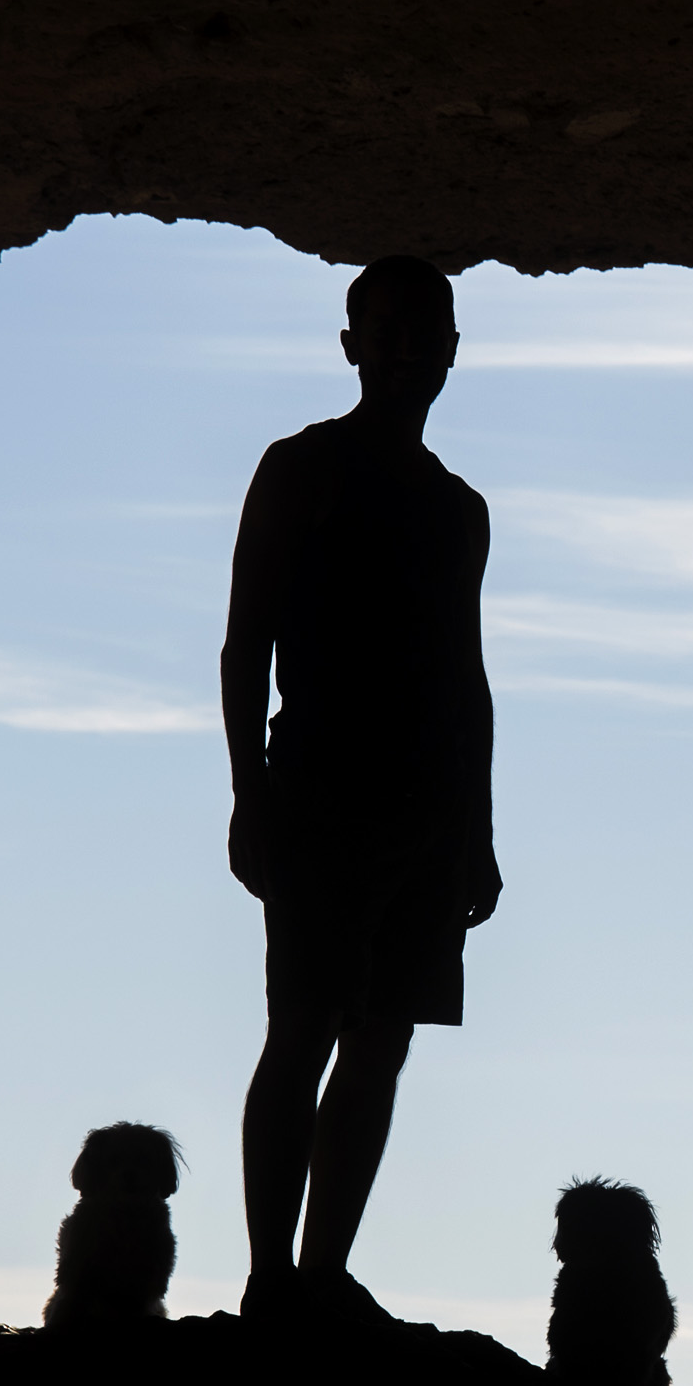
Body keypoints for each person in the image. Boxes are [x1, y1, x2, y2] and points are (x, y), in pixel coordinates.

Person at [221, 257, 501, 1325]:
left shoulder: (456, 509)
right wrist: (250, 790)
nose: (404, 352)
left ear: (450, 353)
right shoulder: (301, 469)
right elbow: (247, 643)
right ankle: (268, 1277)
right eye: (384, 331)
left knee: (381, 1039)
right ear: (351, 345)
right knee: (304, 1024)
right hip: (321, 788)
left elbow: (466, 678)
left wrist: (476, 829)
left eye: (424, 333)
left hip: (426, 807)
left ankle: (323, 1276)